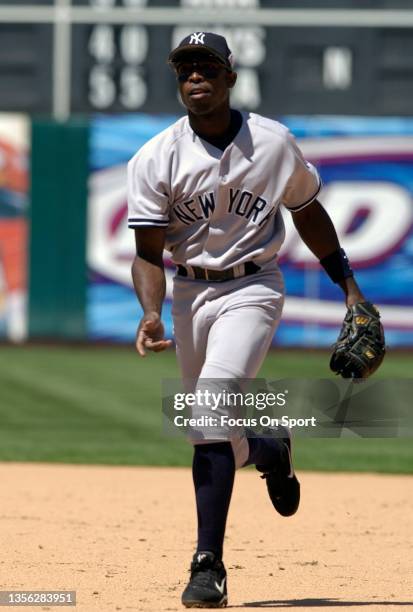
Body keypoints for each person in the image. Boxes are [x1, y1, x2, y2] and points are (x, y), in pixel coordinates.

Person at [127, 32, 367, 609]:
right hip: (188, 293)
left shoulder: (273, 142)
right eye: (185, 69)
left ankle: (208, 564)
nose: (195, 77)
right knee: (214, 436)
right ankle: (268, 445)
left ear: (230, 76)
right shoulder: (155, 157)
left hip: (255, 285)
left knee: (211, 400)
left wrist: (351, 292)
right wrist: (152, 312)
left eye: (207, 66)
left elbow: (308, 213)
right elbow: (146, 253)